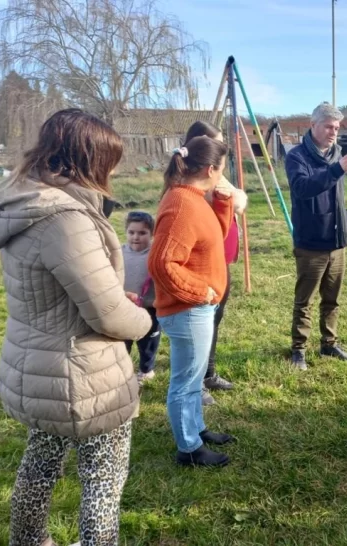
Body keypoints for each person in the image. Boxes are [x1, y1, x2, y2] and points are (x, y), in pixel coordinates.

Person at [0, 108, 152, 546]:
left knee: (38, 467)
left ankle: (29, 539)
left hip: (39, 369)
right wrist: (145, 319)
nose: (110, 173)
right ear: (86, 159)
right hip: (83, 376)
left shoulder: (23, 204)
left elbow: (58, 288)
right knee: (102, 480)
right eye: (107, 163)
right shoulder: (65, 220)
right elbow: (108, 314)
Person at [148, 136, 236, 467]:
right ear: (211, 169)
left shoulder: (193, 197)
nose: (222, 176)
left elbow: (212, 237)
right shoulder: (181, 205)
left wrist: (224, 201)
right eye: (222, 170)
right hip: (188, 310)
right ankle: (189, 450)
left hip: (197, 308)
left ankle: (197, 431)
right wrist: (200, 292)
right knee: (186, 382)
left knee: (194, 377)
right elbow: (161, 263)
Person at [285, 102, 347, 370]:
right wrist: (336, 169)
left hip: (337, 239)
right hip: (311, 242)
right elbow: (303, 188)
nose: (333, 132)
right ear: (313, 125)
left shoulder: (336, 152)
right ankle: (298, 350)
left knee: (332, 298)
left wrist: (339, 167)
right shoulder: (296, 157)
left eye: (337, 128)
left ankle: (329, 344)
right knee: (304, 300)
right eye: (328, 126)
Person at [182, 121, 249, 404]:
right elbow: (235, 200)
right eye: (216, 143)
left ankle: (208, 372)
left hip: (221, 259)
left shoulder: (214, 176)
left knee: (215, 318)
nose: (221, 150)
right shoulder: (192, 180)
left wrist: (235, 198)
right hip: (202, 263)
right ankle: (194, 383)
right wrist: (234, 198)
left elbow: (241, 200)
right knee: (198, 323)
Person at [122, 210, 161, 383]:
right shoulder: (119, 253)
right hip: (124, 307)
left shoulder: (155, 254)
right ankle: (122, 369)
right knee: (123, 341)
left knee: (148, 342)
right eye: (131, 232)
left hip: (150, 307)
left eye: (142, 233)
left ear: (151, 234)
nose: (136, 237)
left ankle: (146, 370)